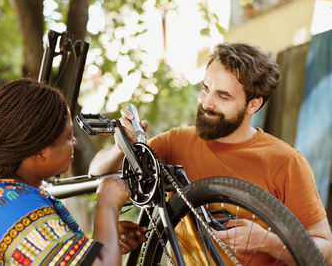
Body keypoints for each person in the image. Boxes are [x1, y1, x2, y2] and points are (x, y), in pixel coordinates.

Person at [88, 43, 332, 265]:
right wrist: (121, 148)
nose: (206, 102)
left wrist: (268, 241)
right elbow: (98, 173)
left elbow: (325, 250)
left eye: (222, 96)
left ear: (253, 104)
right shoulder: (176, 141)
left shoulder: (286, 161)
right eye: (205, 89)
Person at [0, 79, 146, 266]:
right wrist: (107, 205)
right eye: (68, 137)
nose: (74, 143)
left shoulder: (3, 200)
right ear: (39, 150)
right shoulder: (13, 208)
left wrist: (104, 242)